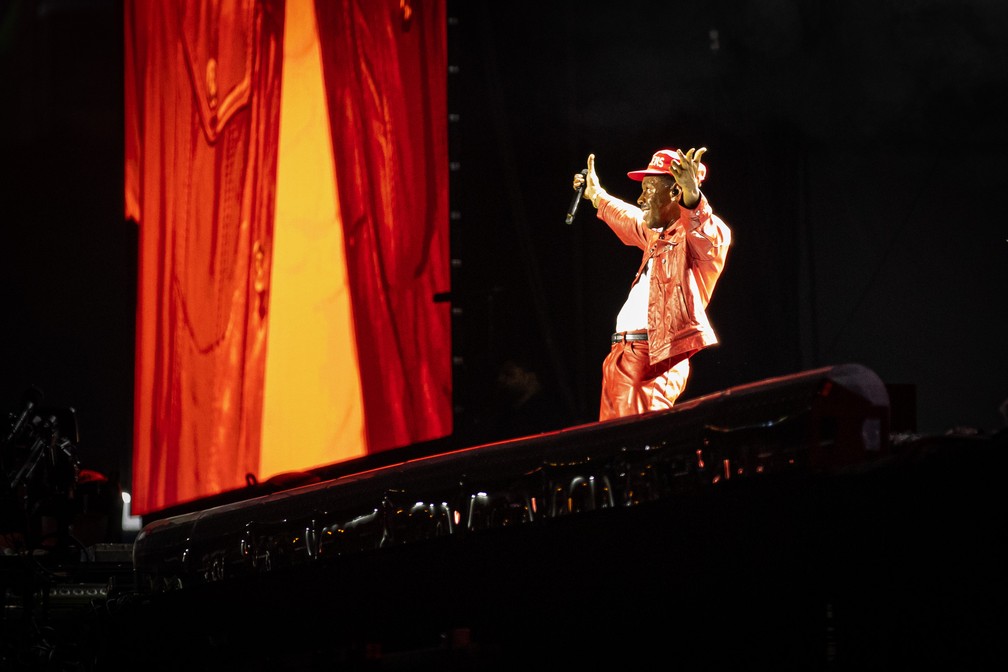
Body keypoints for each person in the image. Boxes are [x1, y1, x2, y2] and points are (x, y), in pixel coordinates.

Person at [572, 147, 731, 421]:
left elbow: (704, 229)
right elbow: (629, 217)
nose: (641, 198)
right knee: (613, 449)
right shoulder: (657, 235)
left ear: (675, 192)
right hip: (623, 356)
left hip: (651, 358)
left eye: (649, 189)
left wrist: (693, 197)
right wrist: (596, 195)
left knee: (635, 448)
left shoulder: (700, 238)